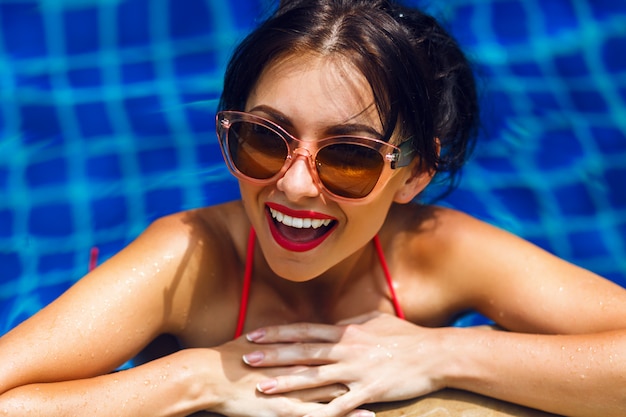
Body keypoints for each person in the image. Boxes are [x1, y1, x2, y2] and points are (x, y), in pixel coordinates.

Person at [1, 0, 626, 416]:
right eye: (263, 139)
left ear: (416, 172)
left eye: (349, 157)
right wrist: (196, 378)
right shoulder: (187, 260)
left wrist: (442, 354)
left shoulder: (437, 252)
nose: (295, 187)